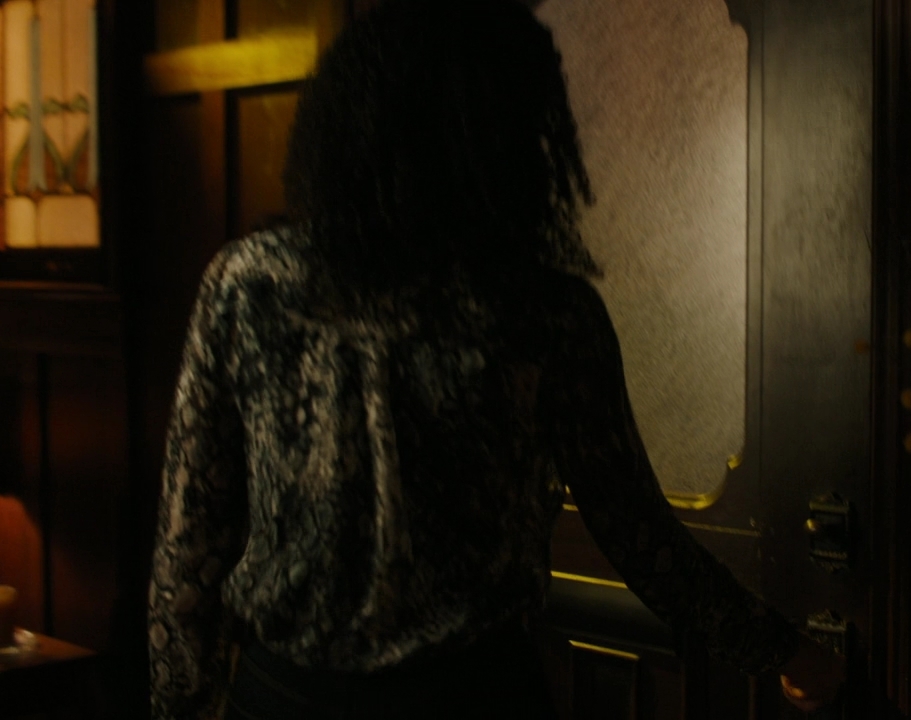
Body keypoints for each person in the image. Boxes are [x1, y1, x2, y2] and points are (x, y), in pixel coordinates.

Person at [146, 2, 846, 718]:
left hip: (286, 697)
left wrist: (178, 705)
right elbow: (641, 539)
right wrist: (785, 652)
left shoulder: (248, 285)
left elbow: (188, 548)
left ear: (348, 125)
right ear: (511, 137)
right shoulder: (543, 313)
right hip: (474, 697)